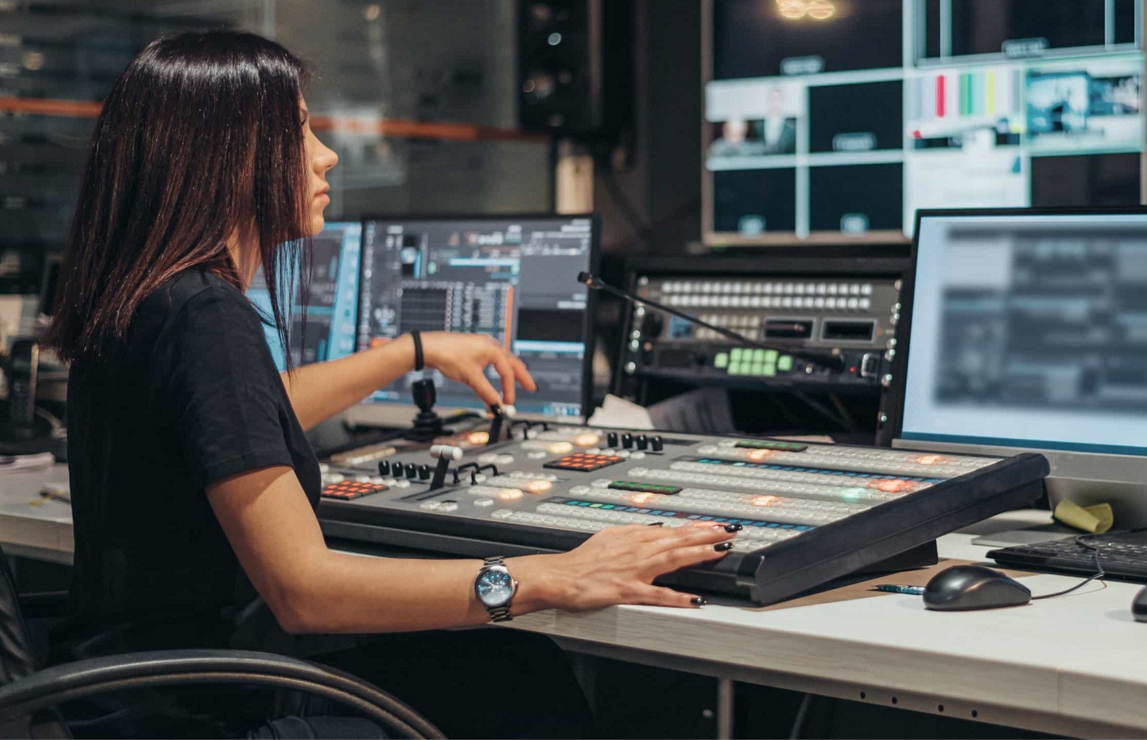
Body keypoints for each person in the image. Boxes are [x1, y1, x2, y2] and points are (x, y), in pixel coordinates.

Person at [43, 30, 735, 738]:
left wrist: (411, 350)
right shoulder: (207, 314)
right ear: (229, 156)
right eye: (299, 130)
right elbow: (305, 593)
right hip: (195, 718)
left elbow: (245, 416)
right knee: (519, 684)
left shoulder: (147, 296)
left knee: (503, 669)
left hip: (124, 701)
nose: (327, 154)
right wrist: (549, 575)